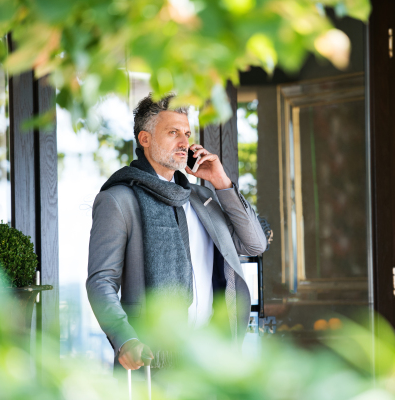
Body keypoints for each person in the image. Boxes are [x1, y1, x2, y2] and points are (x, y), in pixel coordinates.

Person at [86, 94, 267, 378]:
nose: (184, 142)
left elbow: (255, 243)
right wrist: (126, 340)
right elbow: (101, 282)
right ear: (145, 139)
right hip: (150, 362)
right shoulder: (119, 200)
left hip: (211, 359)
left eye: (186, 134)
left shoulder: (203, 198)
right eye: (173, 133)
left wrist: (221, 183)